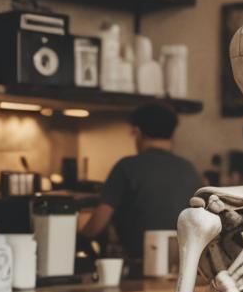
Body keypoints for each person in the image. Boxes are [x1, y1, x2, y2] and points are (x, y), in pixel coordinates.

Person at [81, 102, 202, 262]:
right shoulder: (189, 169)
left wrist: (78, 239)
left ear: (137, 132)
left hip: (138, 265)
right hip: (184, 266)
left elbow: (98, 223)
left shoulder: (126, 167)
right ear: (173, 135)